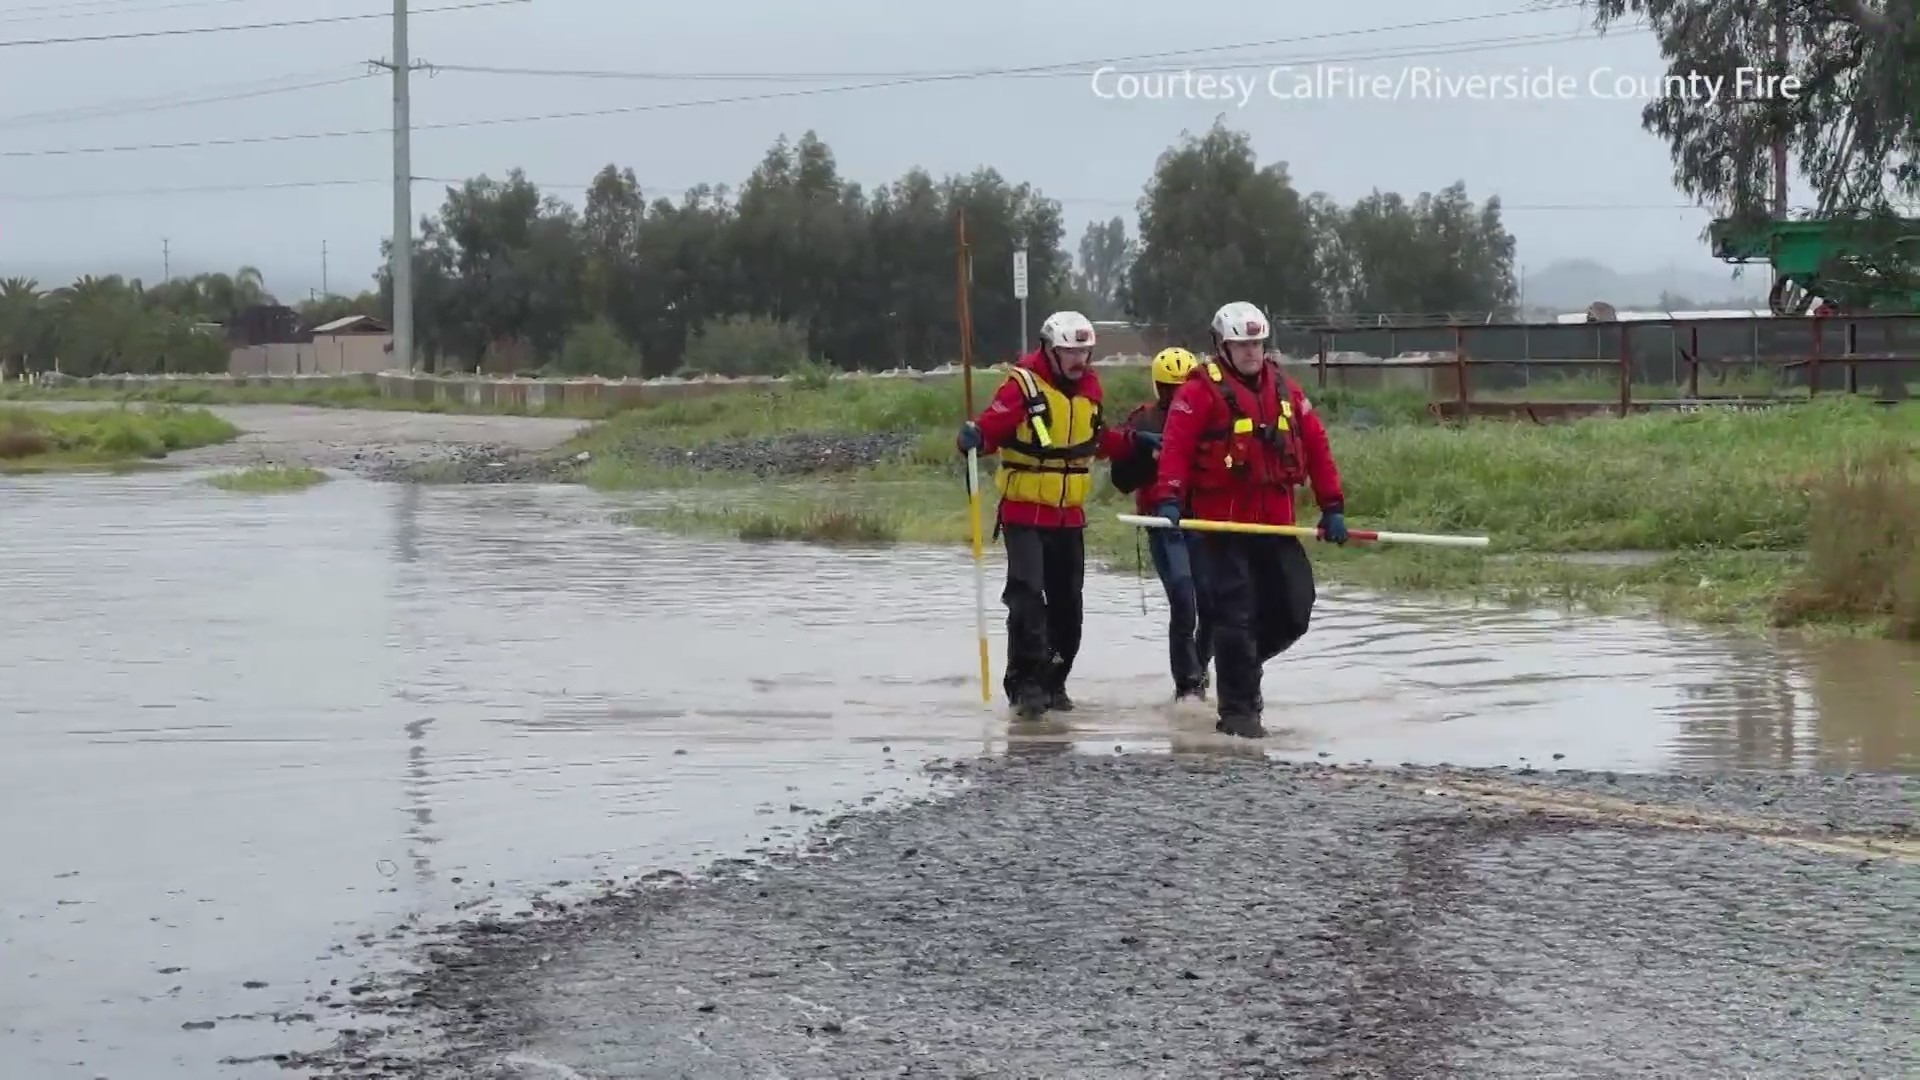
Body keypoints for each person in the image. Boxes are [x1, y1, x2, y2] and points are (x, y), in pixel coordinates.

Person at [1147, 301, 1347, 739]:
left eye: (1256, 343)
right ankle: (1239, 716)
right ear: (1222, 346)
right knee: (1235, 615)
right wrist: (1171, 498)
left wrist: (1332, 505)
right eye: (1242, 344)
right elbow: (1177, 446)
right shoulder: (1199, 390)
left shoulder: (1286, 389)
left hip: (1276, 526)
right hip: (1226, 528)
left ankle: (1239, 663)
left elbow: (1315, 443)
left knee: (1295, 609)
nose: (1251, 352)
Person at [957, 311, 1156, 720]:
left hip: (1069, 518)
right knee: (1027, 597)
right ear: (1050, 349)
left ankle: (1055, 680)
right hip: (1024, 514)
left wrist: (1135, 443)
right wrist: (974, 437)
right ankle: (1026, 685)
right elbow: (990, 432)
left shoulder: (1090, 389)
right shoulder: (1021, 386)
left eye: (1084, 350)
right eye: (1070, 351)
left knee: (1069, 608)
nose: (1079, 359)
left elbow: (1095, 440)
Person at [1110, 346, 1214, 702]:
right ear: (1159, 388)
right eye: (1170, 390)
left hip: (1204, 521)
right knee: (1184, 599)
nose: (1177, 398)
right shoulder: (1141, 422)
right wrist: (1144, 453)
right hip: (1162, 522)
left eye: (1183, 389)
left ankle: (1200, 670)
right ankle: (1187, 684)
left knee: (1212, 603)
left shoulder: (1212, 417)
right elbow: (1121, 479)